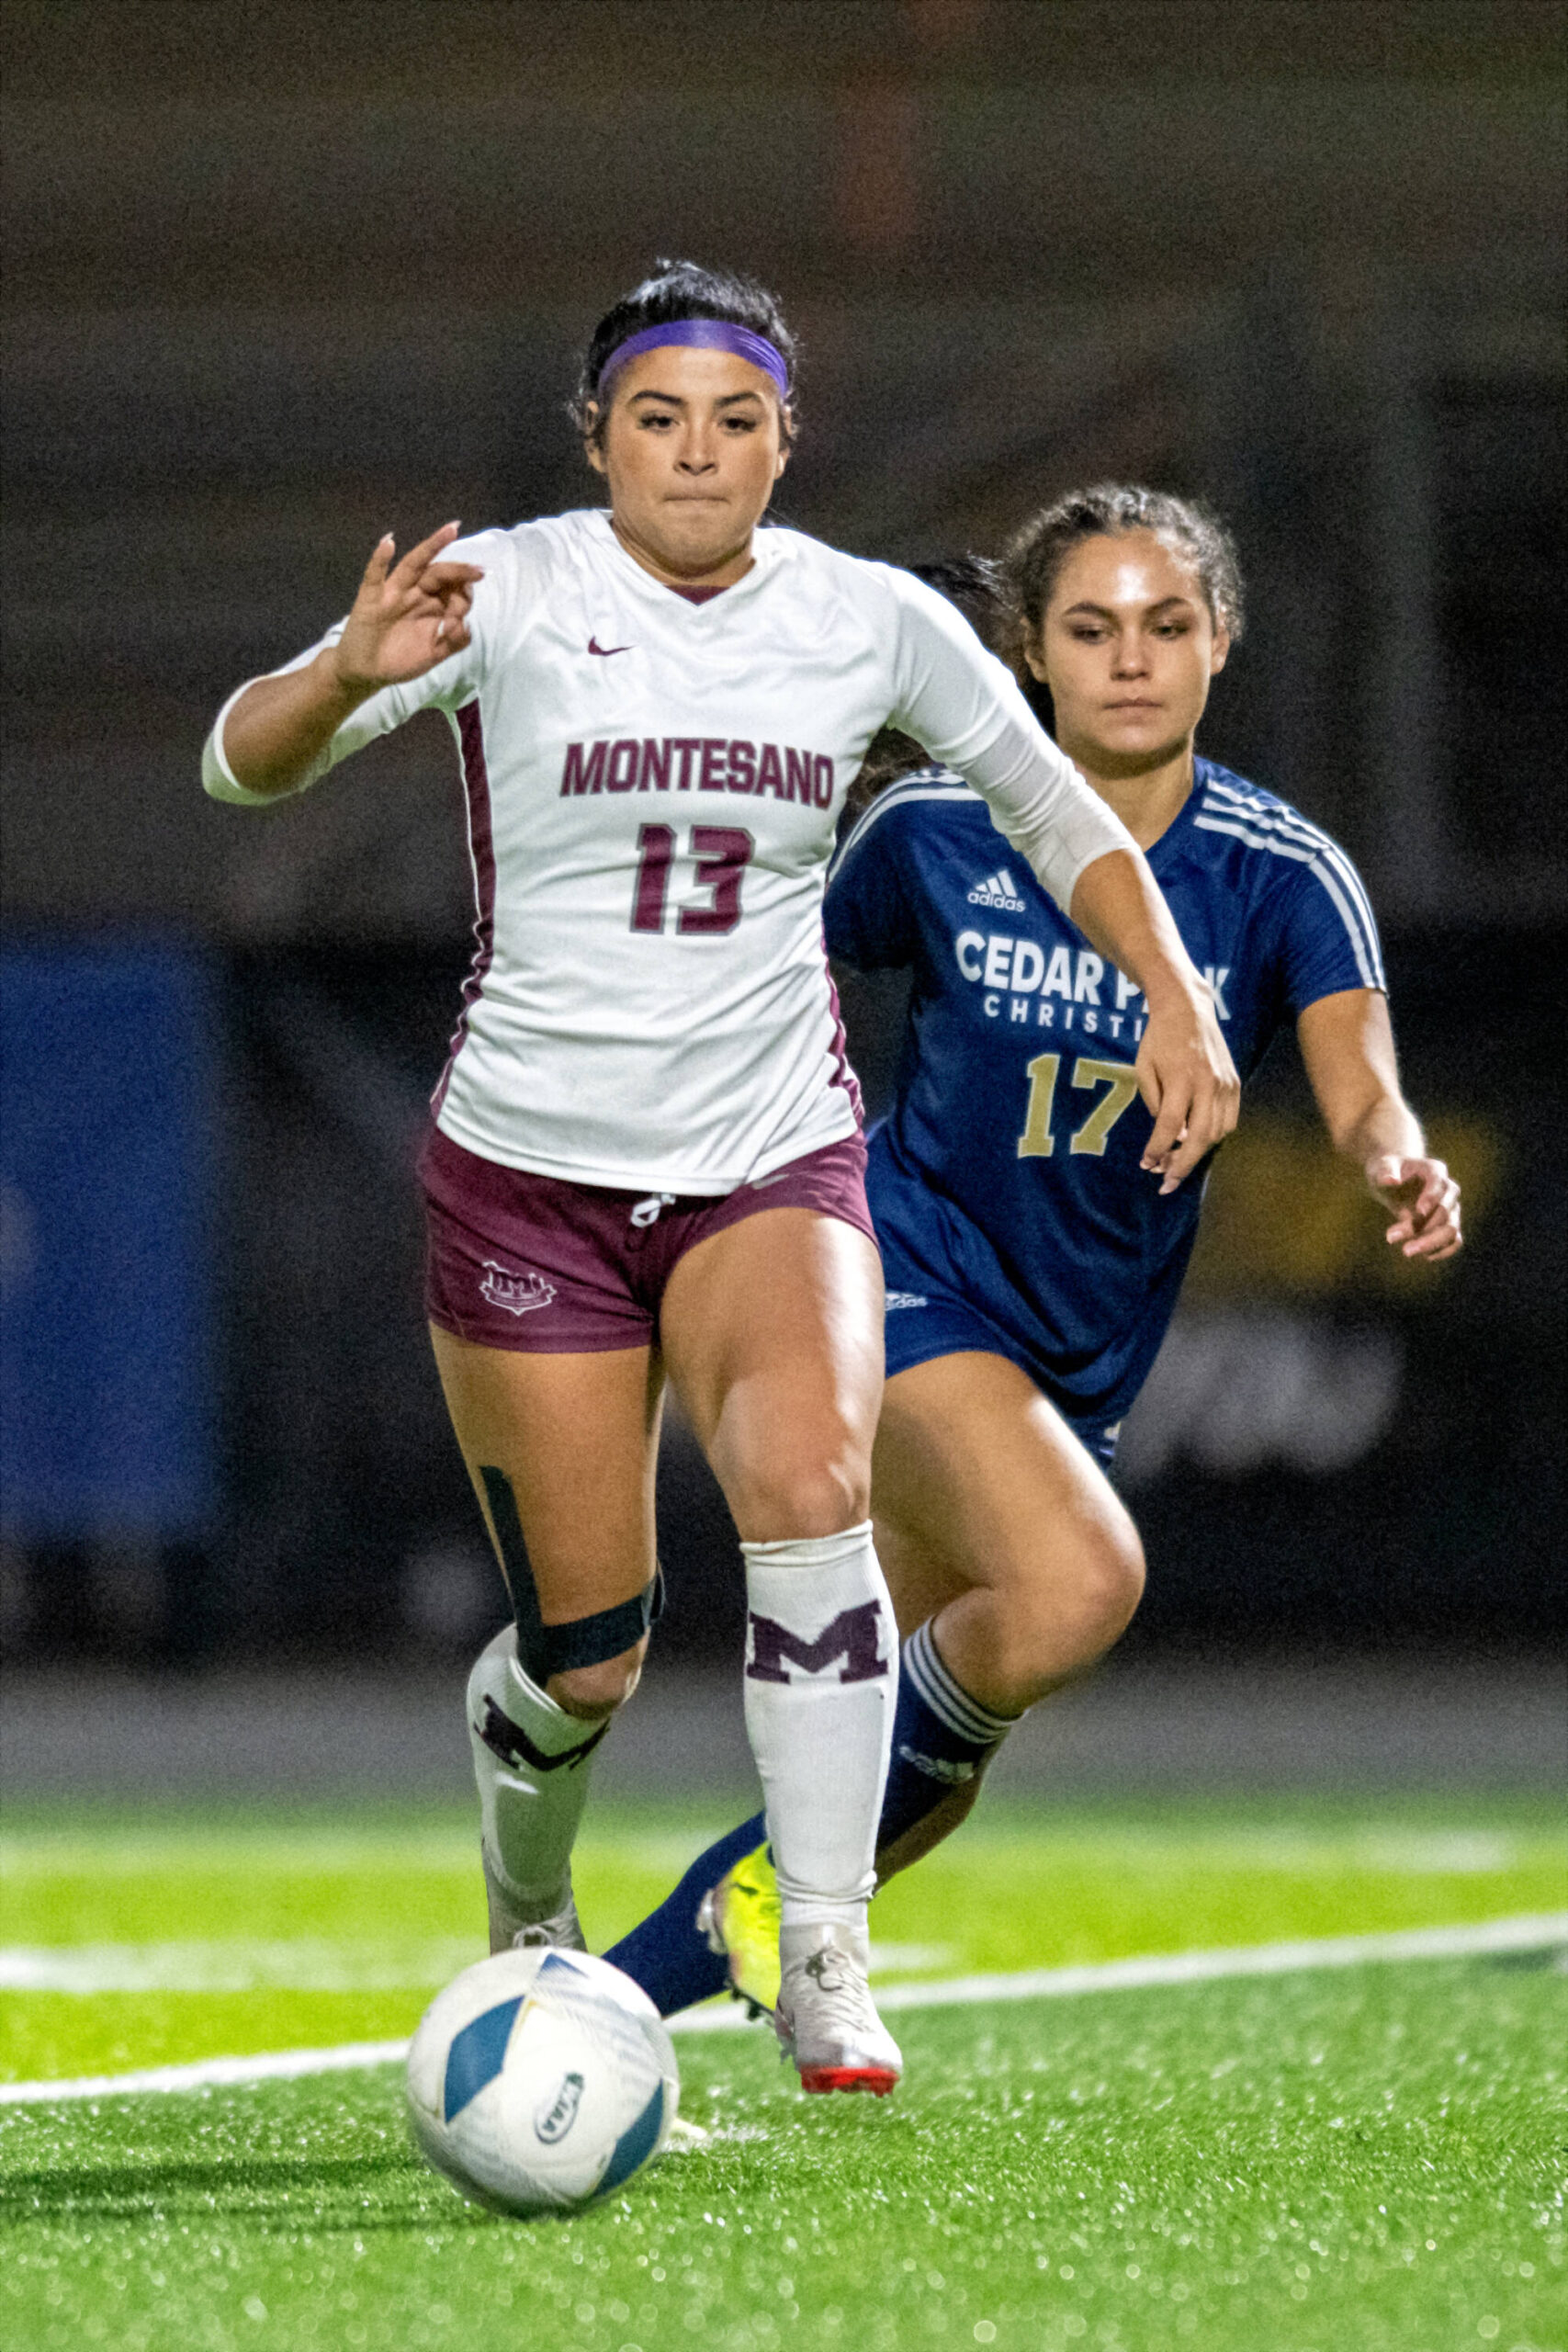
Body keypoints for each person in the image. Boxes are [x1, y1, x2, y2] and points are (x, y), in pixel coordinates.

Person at [200, 273, 1238, 2095]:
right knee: (582, 1658)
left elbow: (1060, 812)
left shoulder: (867, 618)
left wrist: (1169, 990)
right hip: (531, 1175)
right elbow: (239, 764)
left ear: (784, 438)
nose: (696, 450)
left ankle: (822, 1937)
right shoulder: (508, 588)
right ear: (595, 435)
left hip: (766, 1156)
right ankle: (528, 1895)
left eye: (733, 418)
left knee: (808, 1480)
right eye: (657, 416)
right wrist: (335, 676)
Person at [604, 487, 1462, 2020]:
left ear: (1220, 647)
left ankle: (610, 2005)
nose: (1129, 659)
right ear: (1033, 658)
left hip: (1078, 1355)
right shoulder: (939, 826)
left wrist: (1398, 1162)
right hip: (890, 1270)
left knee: (925, 1754)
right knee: (1075, 1584)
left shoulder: (1279, 872)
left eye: (1166, 624)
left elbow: (1361, 1082)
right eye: (1089, 627)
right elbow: (752, 949)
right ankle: (765, 1924)